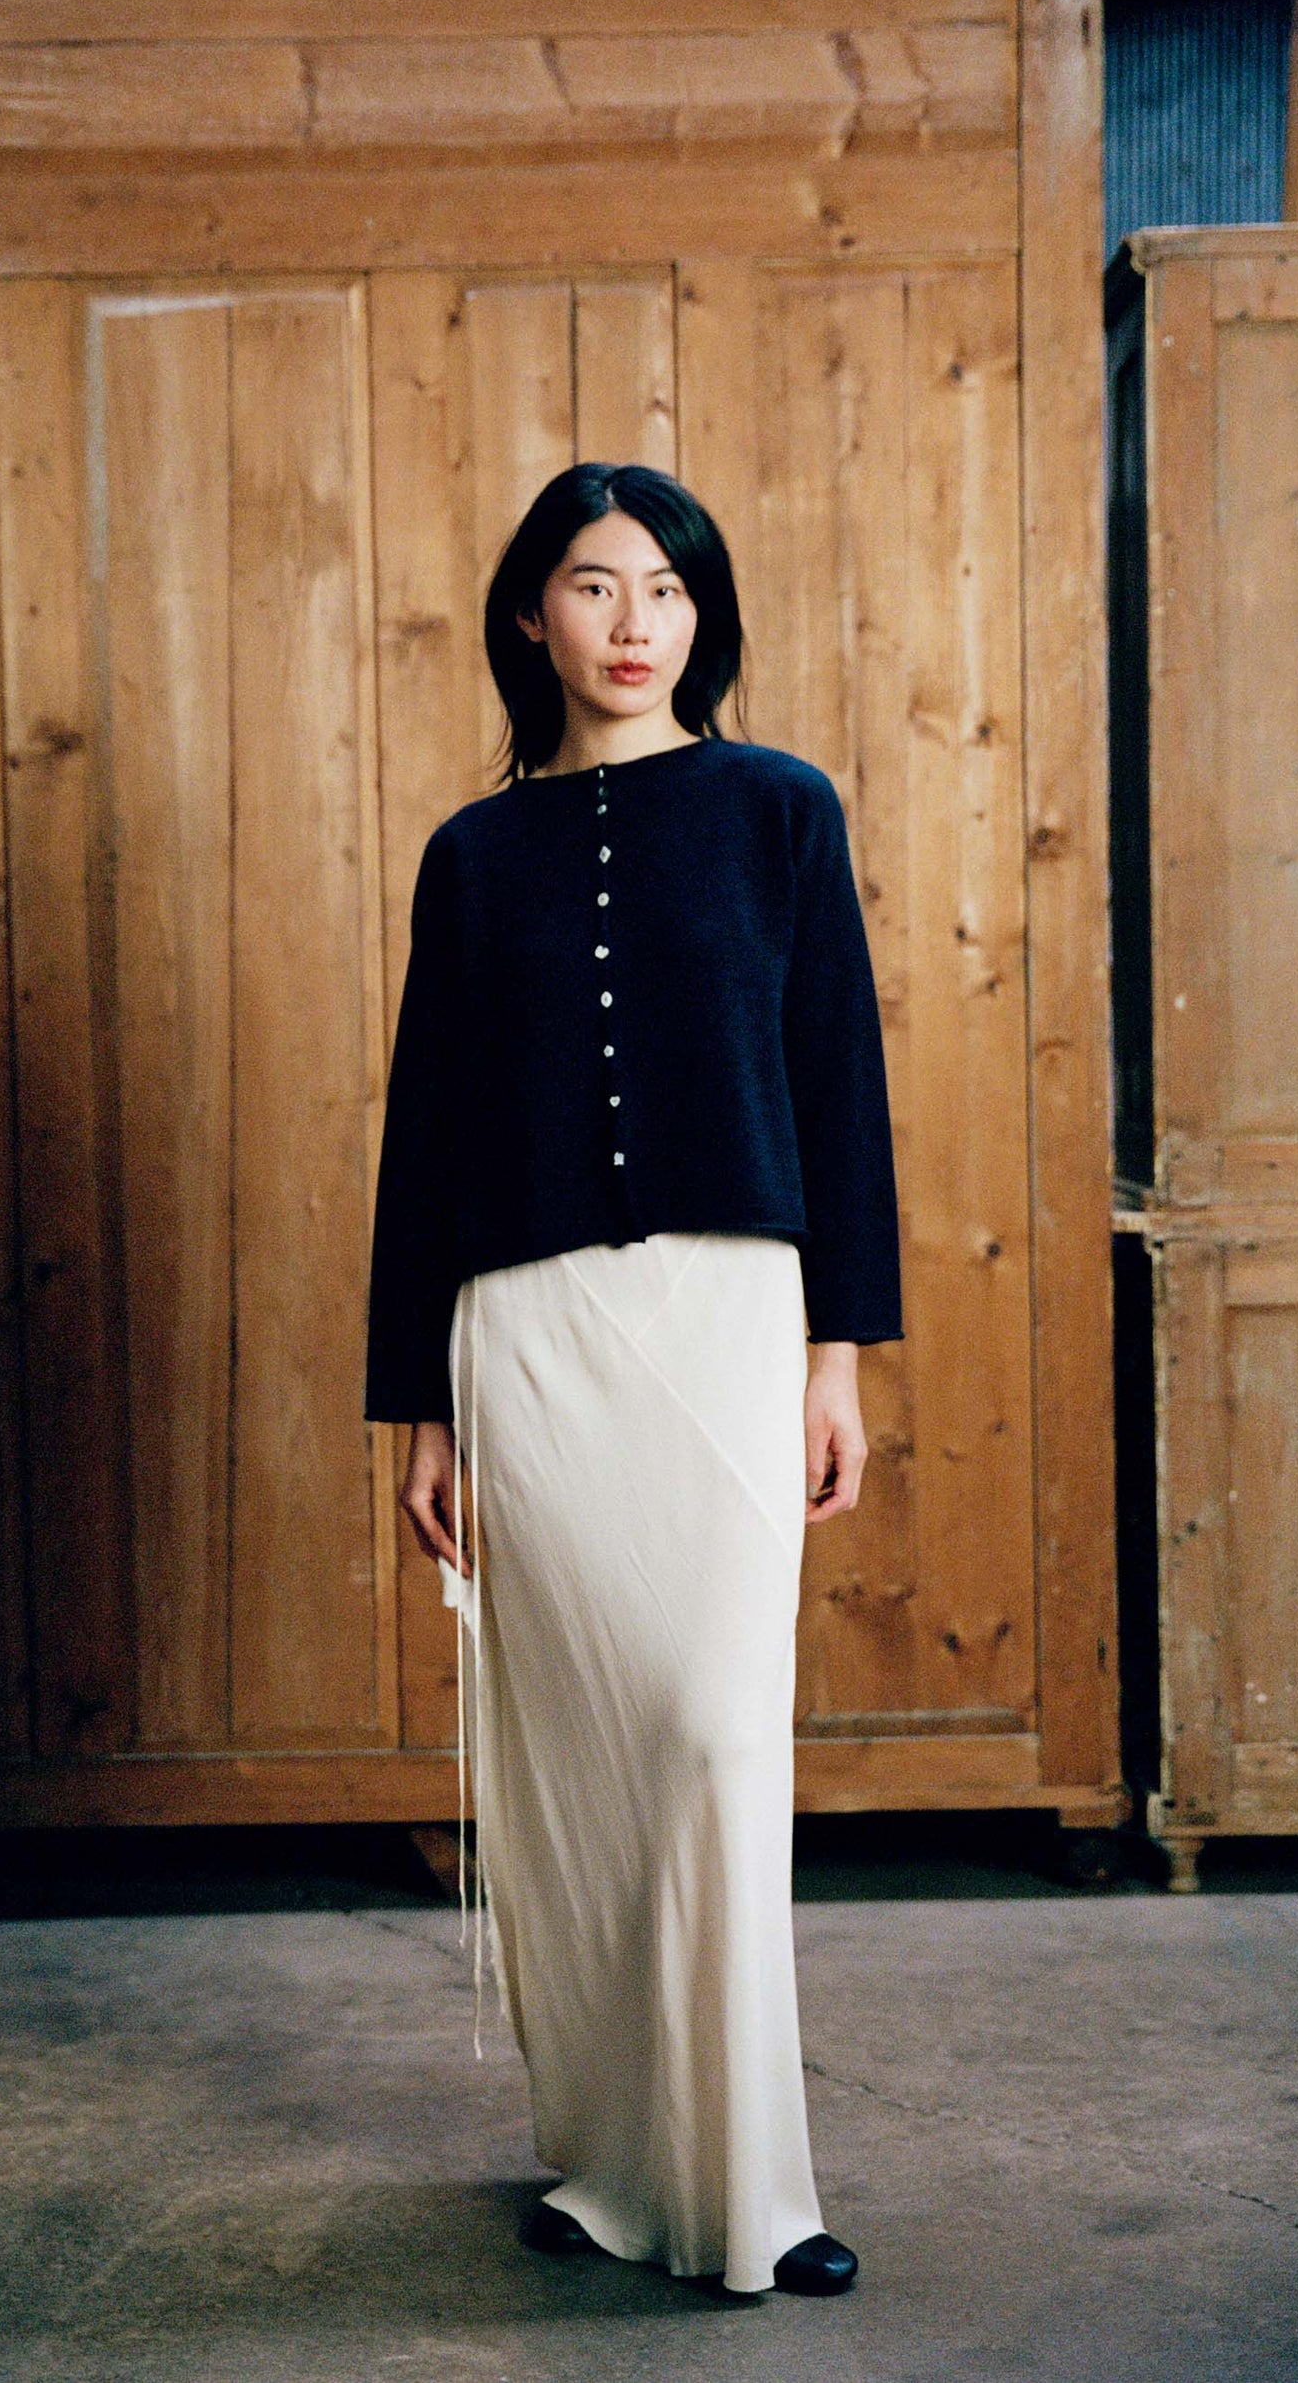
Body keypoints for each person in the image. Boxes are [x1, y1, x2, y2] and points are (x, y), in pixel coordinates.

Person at [363, 462, 902, 2299]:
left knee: (713, 1733)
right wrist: (421, 1408)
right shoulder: (470, 857)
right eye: (597, 585)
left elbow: (837, 1088)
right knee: (582, 1760)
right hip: (530, 1339)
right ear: (534, 613)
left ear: (702, 615)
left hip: (729, 1318)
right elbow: (425, 1141)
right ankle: (608, 2160)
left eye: (668, 588)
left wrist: (838, 1359)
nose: (634, 621)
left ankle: (755, 2193)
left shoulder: (779, 813)